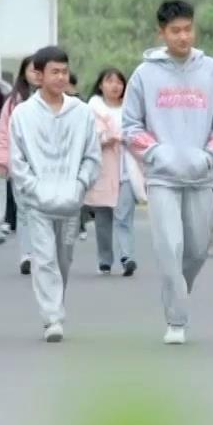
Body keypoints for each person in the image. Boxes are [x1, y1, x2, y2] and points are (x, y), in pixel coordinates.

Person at [122, 0, 213, 346]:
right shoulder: (145, 75)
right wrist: (157, 153)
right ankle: (176, 320)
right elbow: (130, 126)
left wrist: (210, 155)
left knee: (198, 249)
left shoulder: (212, 71)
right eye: (175, 31)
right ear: (162, 33)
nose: (183, 37)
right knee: (169, 247)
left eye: (188, 29)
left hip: (201, 176)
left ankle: (177, 291)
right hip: (162, 178)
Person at [7, 45, 103, 342]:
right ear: (38, 76)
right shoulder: (23, 114)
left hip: (70, 200)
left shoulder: (82, 113)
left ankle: (55, 304)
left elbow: (92, 155)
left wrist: (80, 184)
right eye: (54, 72)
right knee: (44, 258)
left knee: (63, 259)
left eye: (64, 71)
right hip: (38, 202)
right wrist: (32, 188)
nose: (61, 77)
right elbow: (17, 159)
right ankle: (52, 318)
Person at [85, 67, 142, 277]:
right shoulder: (92, 109)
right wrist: (106, 139)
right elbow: (87, 138)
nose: (115, 86)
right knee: (103, 219)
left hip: (127, 170)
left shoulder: (131, 109)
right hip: (103, 170)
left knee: (123, 215)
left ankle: (127, 257)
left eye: (119, 82)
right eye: (110, 81)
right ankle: (105, 261)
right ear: (101, 85)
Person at [0, 55, 42, 254]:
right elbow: (3, 132)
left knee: (43, 211)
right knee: (23, 212)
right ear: (24, 73)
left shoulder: (55, 99)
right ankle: (27, 255)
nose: (37, 75)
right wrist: (1, 160)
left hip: (46, 165)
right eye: (33, 70)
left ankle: (43, 252)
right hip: (20, 163)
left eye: (40, 70)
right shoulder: (14, 102)